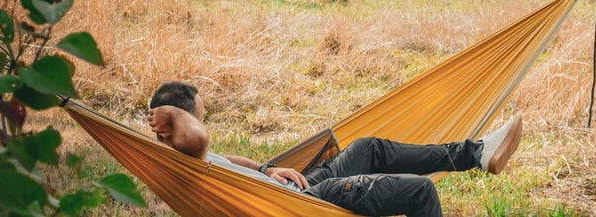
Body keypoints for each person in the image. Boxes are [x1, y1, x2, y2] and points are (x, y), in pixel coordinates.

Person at [148, 81, 522, 217]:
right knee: (419, 191)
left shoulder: (196, 159)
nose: (204, 123)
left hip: (294, 186)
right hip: (304, 203)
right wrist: (167, 113)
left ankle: (475, 154)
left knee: (368, 147)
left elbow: (223, 157)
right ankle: (475, 155)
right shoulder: (184, 157)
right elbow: (198, 140)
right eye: (199, 116)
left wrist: (265, 169)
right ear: (178, 126)